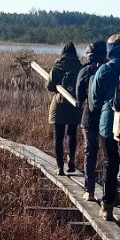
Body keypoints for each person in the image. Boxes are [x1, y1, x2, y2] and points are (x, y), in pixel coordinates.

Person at [87, 33, 120, 220]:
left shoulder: (105, 70)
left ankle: (107, 206)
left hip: (109, 124)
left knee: (111, 164)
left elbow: (96, 100)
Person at [47, 42, 82, 173]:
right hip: (75, 105)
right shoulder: (79, 67)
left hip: (59, 106)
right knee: (71, 134)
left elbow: (49, 86)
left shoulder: (57, 67)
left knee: (58, 136)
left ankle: (60, 166)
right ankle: (71, 161)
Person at [79, 38, 108, 199]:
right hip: (106, 119)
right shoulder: (109, 70)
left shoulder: (85, 71)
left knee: (90, 153)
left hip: (89, 118)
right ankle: (108, 193)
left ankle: (89, 190)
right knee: (107, 156)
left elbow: (79, 95)